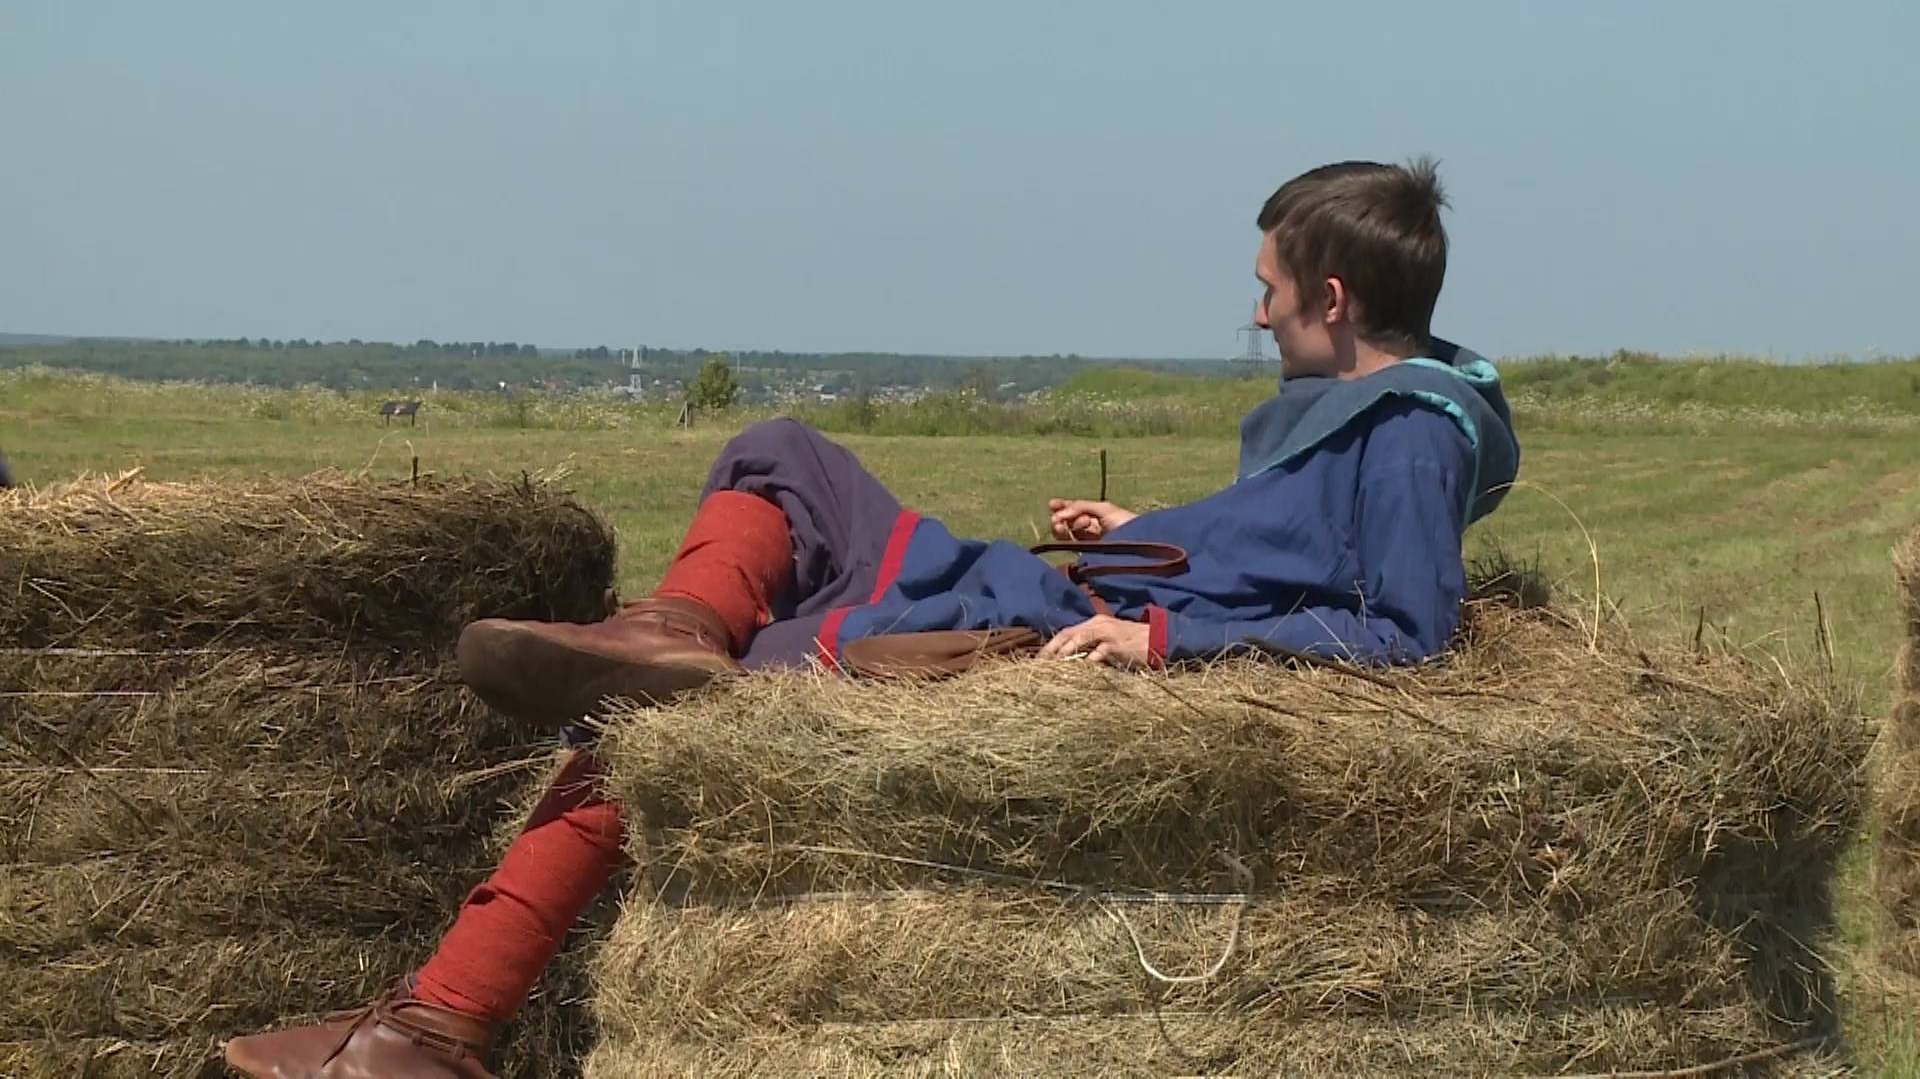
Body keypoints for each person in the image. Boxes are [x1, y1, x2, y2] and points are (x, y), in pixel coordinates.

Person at [223, 158, 1520, 1077]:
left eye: (1268, 286)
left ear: (1331, 297)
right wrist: (1148, 535)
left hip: (1022, 631)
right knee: (780, 453)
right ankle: (672, 627)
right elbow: (1300, 551)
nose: (1255, 310)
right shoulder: (1373, 416)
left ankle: (440, 1024)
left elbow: (1402, 630)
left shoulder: (1413, 434)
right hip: (1038, 586)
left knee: (675, 719)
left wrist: (1158, 635)